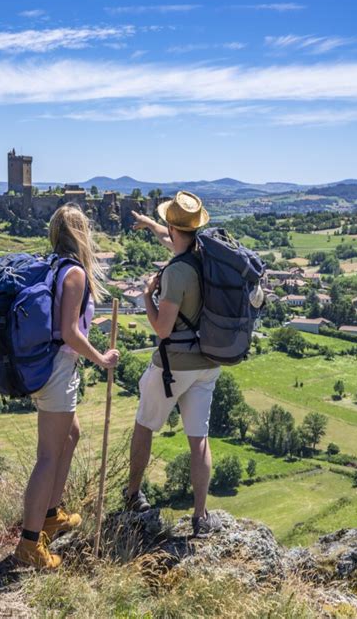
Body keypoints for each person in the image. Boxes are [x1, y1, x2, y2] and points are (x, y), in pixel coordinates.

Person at [14, 204, 120, 569]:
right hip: (59, 369)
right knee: (47, 455)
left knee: (69, 436)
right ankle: (30, 544)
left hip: (51, 367)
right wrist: (102, 358)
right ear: (81, 233)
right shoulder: (73, 273)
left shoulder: (54, 266)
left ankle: (51, 514)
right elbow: (71, 332)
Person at [123, 191, 222, 537]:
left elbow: (162, 328)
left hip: (173, 365)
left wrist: (147, 297)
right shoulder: (205, 256)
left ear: (173, 226)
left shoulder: (176, 273)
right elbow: (172, 240)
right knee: (199, 439)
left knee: (145, 424)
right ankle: (200, 517)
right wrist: (151, 224)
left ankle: (133, 495)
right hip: (208, 363)